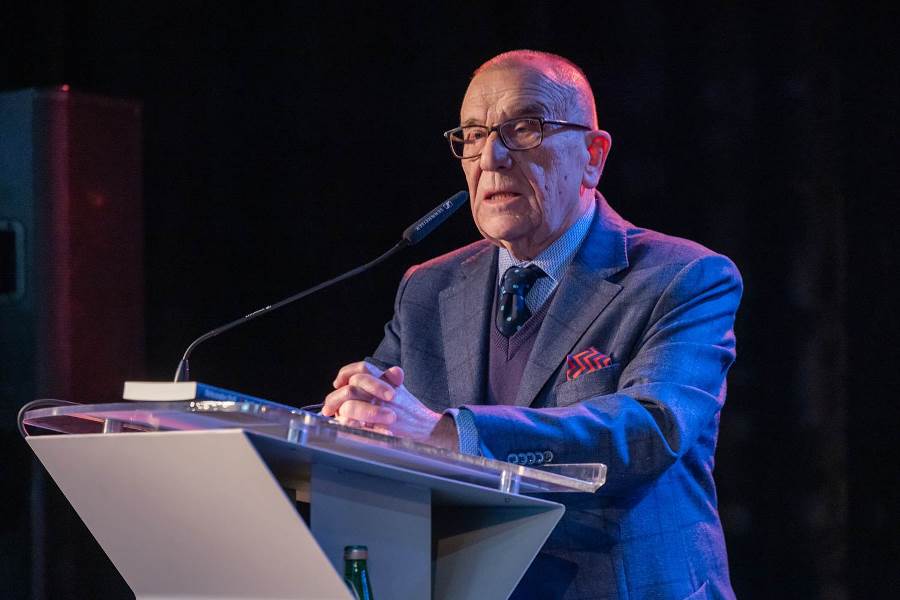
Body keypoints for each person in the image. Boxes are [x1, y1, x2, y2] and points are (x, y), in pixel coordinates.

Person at [322, 50, 741, 599]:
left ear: (592, 157)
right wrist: (351, 411)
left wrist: (449, 433)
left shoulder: (682, 276)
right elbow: (384, 414)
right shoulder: (428, 287)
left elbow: (651, 428)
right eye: (473, 135)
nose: (491, 158)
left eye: (523, 129)